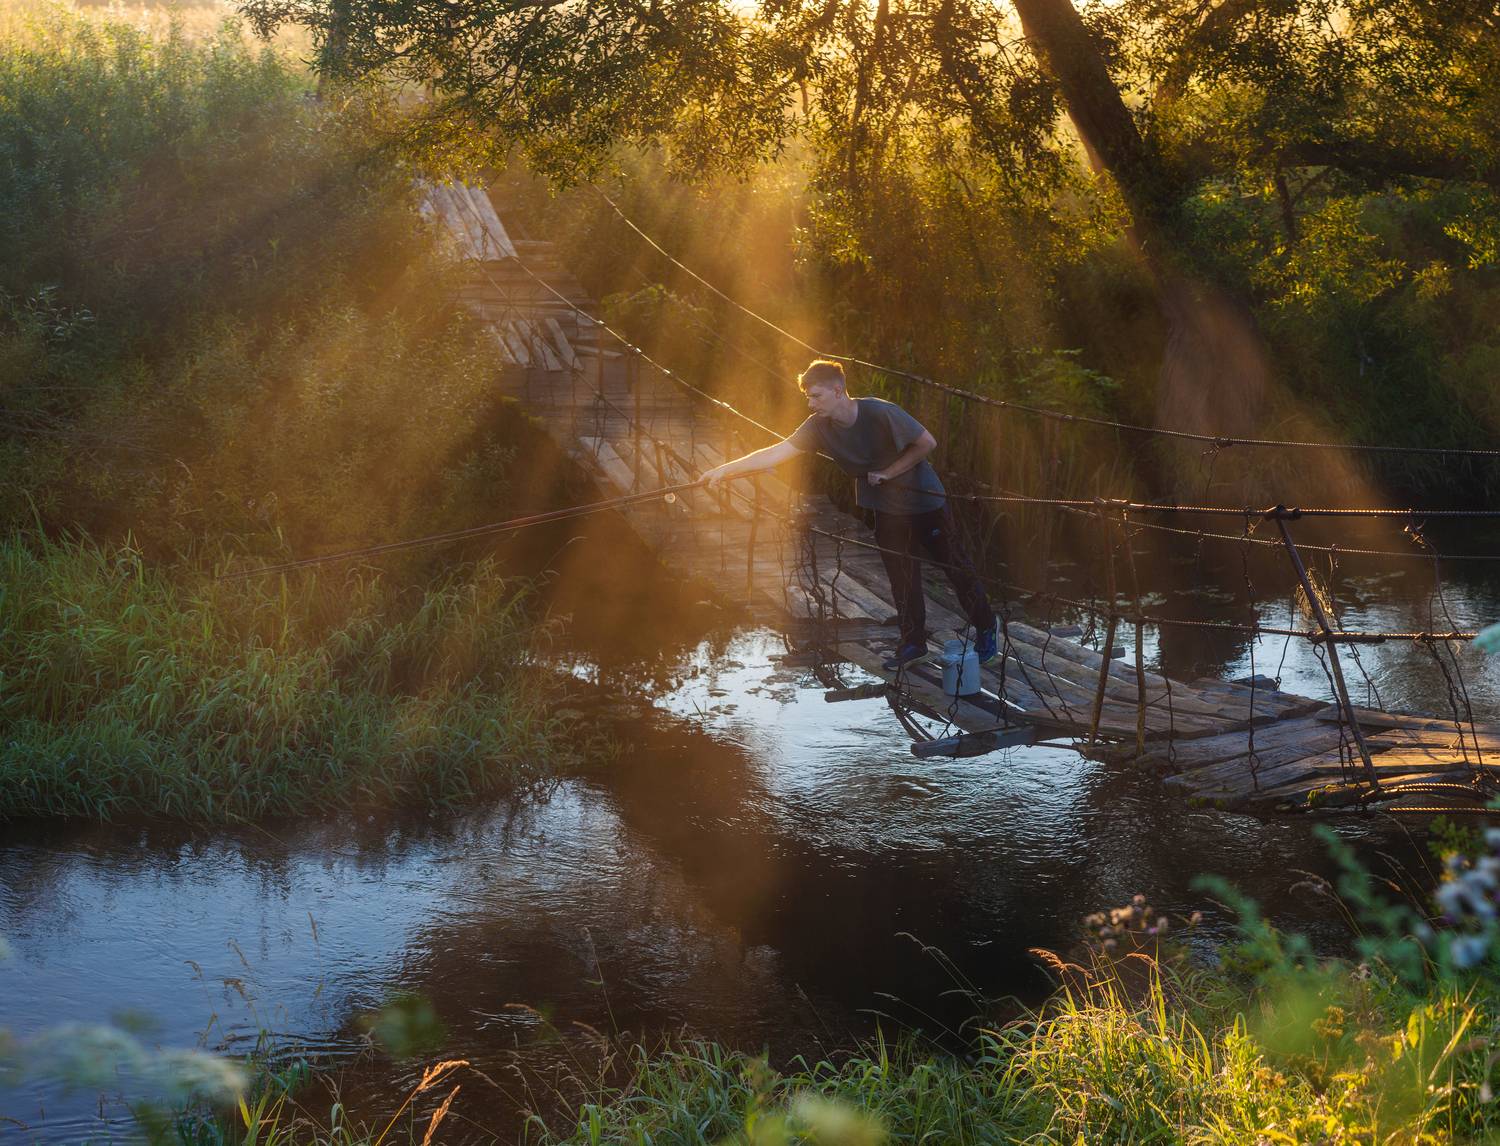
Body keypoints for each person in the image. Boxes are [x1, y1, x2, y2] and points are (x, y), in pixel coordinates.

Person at [702, 359, 998, 671]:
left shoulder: (880, 412)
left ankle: (987, 628)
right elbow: (776, 452)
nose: (810, 403)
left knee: (956, 569)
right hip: (886, 509)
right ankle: (914, 644)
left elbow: (927, 443)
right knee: (902, 577)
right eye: (807, 397)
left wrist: (888, 472)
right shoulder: (818, 426)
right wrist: (724, 470)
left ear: (838, 391)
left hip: (925, 504)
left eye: (816, 396)